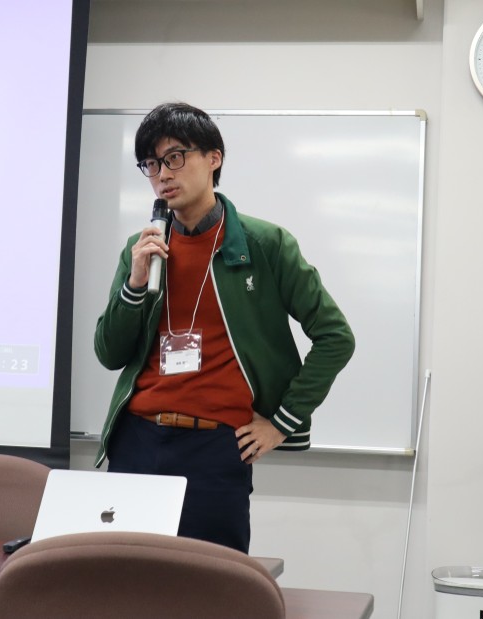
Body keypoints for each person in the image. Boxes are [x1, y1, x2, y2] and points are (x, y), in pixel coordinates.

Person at [93, 102, 354, 553]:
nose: (162, 174)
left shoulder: (264, 244)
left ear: (214, 158)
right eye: (151, 164)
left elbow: (336, 337)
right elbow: (109, 353)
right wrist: (135, 284)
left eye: (175, 157)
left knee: (213, 582)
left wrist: (281, 423)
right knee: (127, 578)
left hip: (214, 448)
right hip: (137, 439)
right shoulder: (143, 249)